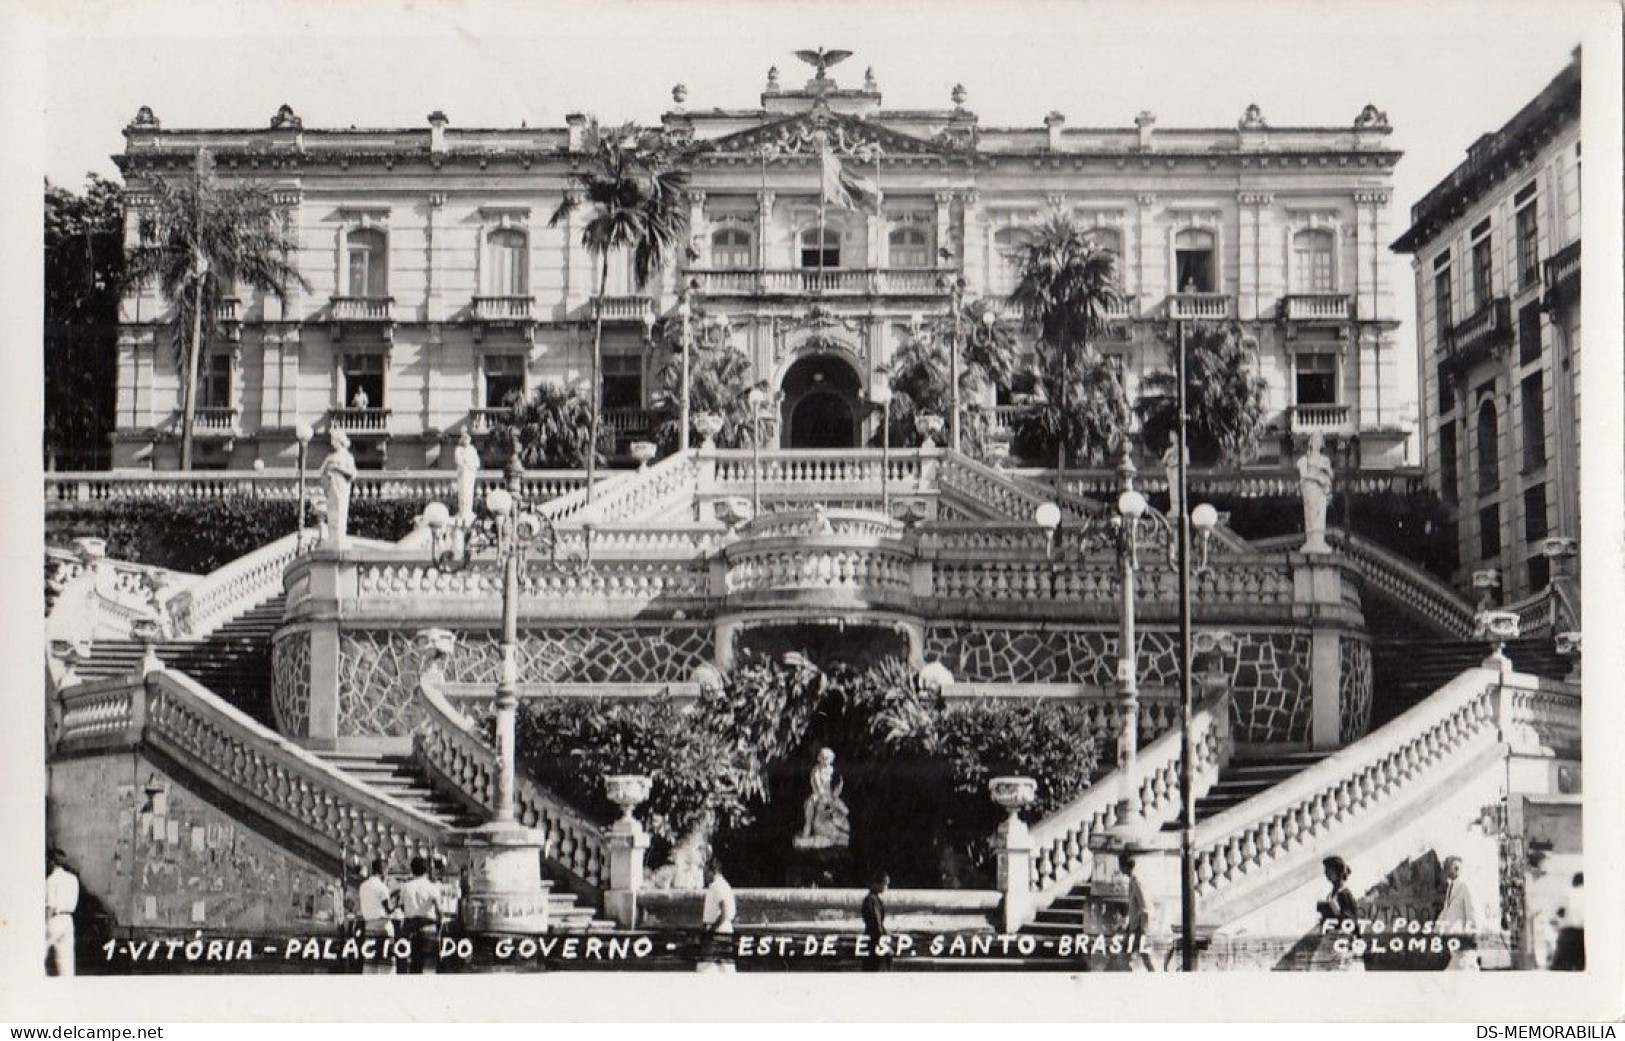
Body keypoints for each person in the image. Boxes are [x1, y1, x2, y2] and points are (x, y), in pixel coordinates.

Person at [1313, 855, 1363, 971]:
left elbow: (1350, 921)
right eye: (1326, 871)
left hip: (1343, 939)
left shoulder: (1344, 894)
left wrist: (1333, 911)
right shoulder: (1333, 892)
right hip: (1333, 938)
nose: (1326, 874)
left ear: (1337, 872)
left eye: (1329, 871)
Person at [796, 747, 851, 849]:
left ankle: (840, 828)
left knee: (844, 809)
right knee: (810, 805)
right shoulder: (816, 770)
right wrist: (821, 793)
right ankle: (807, 828)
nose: (826, 760)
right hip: (818, 792)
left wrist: (837, 789)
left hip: (829, 793)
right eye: (824, 758)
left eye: (828, 758)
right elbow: (816, 783)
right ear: (820, 758)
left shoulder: (831, 769)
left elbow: (837, 782)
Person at [397, 855, 443, 974]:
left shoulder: (406, 887)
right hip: (427, 926)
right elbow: (439, 911)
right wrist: (439, 927)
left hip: (409, 927)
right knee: (429, 965)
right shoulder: (432, 887)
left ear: (412, 870)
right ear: (426, 870)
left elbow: (401, 906)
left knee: (411, 963)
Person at [1434, 855, 1480, 970]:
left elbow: (1473, 913)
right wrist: (1437, 930)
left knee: (1465, 969)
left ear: (1456, 868)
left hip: (1463, 944)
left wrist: (1470, 937)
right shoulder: (1451, 887)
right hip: (1454, 943)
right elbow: (1446, 910)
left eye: (1446, 867)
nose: (1444, 871)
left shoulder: (1465, 886)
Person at [1296, 432, 1335, 553]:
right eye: (1316, 440)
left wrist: (1327, 470)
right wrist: (1317, 478)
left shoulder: (1325, 460)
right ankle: (1312, 541)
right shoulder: (1304, 460)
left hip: (1321, 490)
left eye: (1320, 440)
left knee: (1320, 514)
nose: (1318, 442)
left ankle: (1319, 541)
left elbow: (1331, 475)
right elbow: (1303, 475)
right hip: (1310, 488)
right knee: (1311, 513)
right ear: (1311, 442)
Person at [1118, 852, 1157, 972]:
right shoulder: (1133, 881)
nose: (1119, 869)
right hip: (1135, 928)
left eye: (1120, 866)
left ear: (1125, 866)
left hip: (1140, 930)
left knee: (1142, 958)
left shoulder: (1137, 882)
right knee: (1130, 958)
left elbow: (1145, 908)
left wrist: (1144, 931)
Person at [320, 428, 358, 549]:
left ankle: (339, 538)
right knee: (331, 514)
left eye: (334, 440)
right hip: (331, 488)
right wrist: (327, 476)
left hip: (342, 489)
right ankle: (332, 538)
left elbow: (353, 474)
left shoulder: (347, 457)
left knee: (341, 513)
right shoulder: (330, 457)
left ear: (339, 440)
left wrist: (337, 469)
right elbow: (321, 472)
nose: (332, 442)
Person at [357, 857, 396, 975]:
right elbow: (389, 909)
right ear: (383, 871)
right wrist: (397, 902)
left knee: (369, 965)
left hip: (369, 927)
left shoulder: (363, 886)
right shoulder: (381, 887)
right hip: (383, 928)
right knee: (386, 966)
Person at [698, 861, 737, 974]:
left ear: (713, 871)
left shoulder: (717, 886)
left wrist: (712, 930)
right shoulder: (724, 885)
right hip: (724, 928)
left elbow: (725, 911)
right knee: (725, 965)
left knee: (705, 965)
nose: (705, 875)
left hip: (718, 930)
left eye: (706, 872)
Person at [45, 848, 79, 977]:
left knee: (38, 954)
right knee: (66, 964)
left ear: (52, 862)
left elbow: (50, 905)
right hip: (68, 920)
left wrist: (44, 924)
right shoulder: (73, 879)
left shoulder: (51, 880)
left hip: (55, 919)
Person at [1550, 872, 1584, 971]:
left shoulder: (1567, 894)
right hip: (1584, 935)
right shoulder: (1592, 896)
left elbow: (1557, 914)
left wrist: (1557, 929)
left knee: (1560, 971)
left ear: (1574, 882)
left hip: (1567, 935)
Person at [861, 874, 890, 972]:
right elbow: (876, 922)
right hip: (874, 939)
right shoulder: (872, 900)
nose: (886, 887)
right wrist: (882, 939)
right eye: (885, 884)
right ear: (877, 884)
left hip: (872, 937)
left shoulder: (872, 899)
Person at [453, 430, 481, 523]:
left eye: (468, 439)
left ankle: (468, 511)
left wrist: (469, 463)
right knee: (462, 492)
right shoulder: (459, 449)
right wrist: (465, 462)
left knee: (469, 492)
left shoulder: (472, 449)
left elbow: (477, 462)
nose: (466, 441)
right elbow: (459, 461)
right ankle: (462, 511)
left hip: (470, 473)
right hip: (462, 473)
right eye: (465, 439)